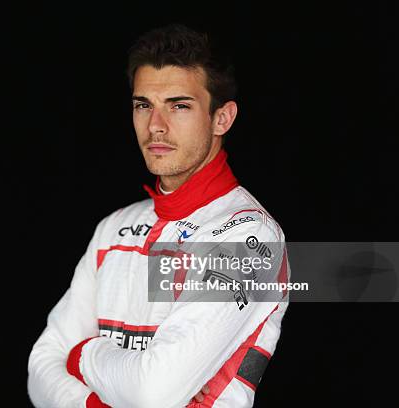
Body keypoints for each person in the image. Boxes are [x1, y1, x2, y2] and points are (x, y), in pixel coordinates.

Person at [27, 24, 290, 408]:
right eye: (143, 105)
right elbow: (40, 368)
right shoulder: (113, 229)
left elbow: (154, 393)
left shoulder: (251, 237)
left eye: (179, 106)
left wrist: (82, 354)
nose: (156, 126)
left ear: (222, 118)